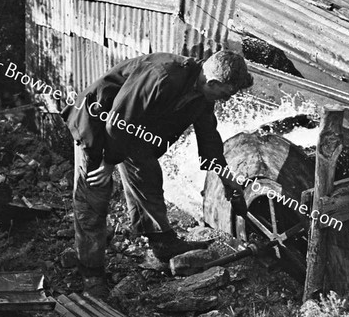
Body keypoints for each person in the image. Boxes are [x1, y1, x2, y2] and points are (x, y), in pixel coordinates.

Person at [61, 50, 253, 299]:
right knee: (94, 197)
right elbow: (118, 121)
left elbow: (209, 137)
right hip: (98, 124)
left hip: (134, 130)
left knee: (148, 175)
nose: (226, 100)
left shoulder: (203, 93)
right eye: (225, 94)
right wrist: (109, 164)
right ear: (213, 82)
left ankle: (162, 242)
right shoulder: (163, 75)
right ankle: (91, 274)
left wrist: (226, 178)